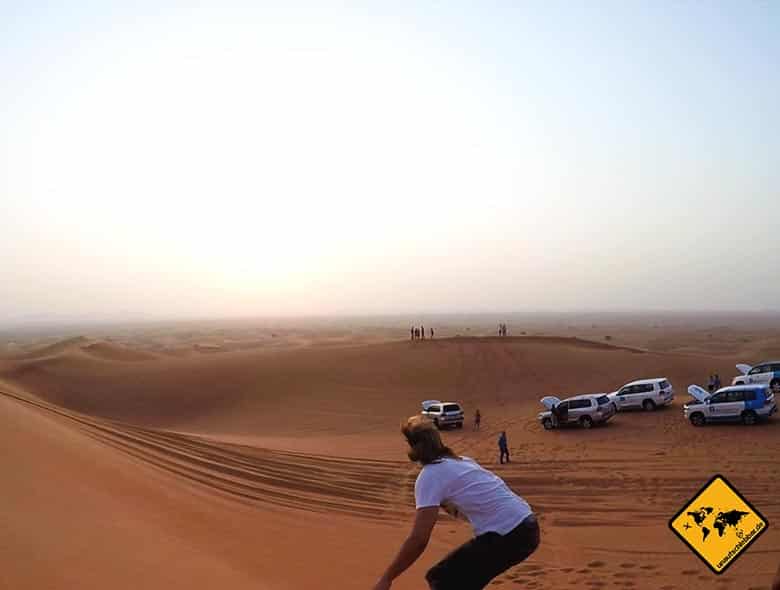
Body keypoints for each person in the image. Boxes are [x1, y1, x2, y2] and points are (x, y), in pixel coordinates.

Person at [373, 416, 539, 590]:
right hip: (526, 527)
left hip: (509, 534)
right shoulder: (462, 461)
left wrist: (387, 578)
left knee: (441, 578)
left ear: (413, 448)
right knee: (461, 581)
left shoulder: (430, 475)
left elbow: (419, 539)